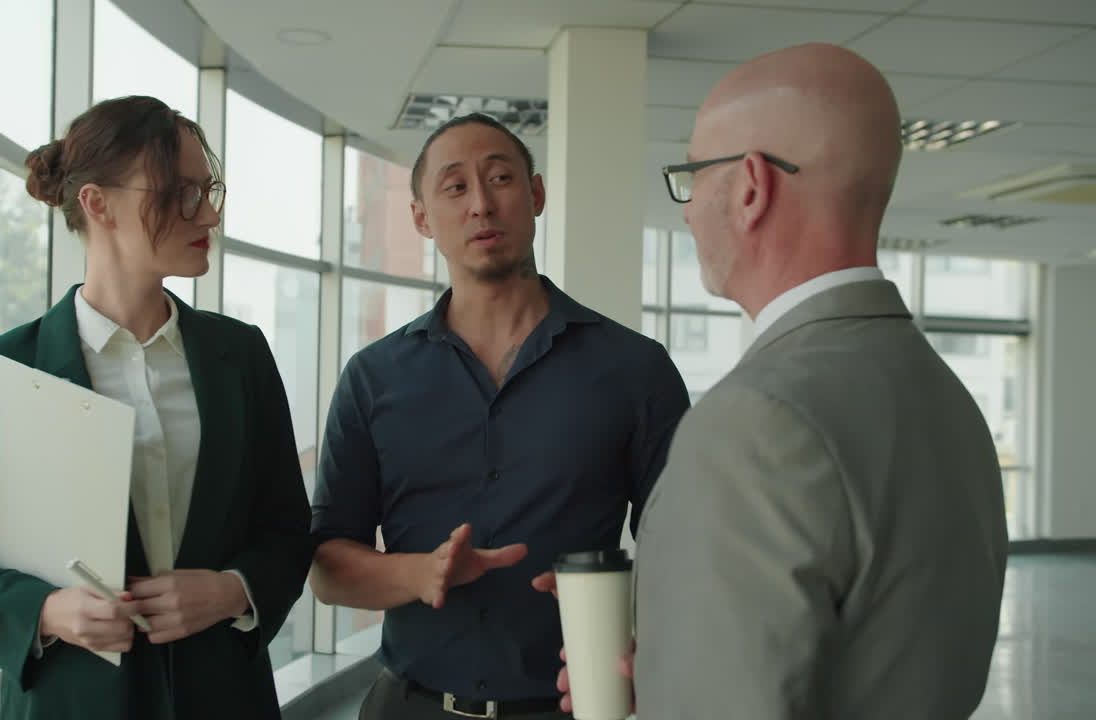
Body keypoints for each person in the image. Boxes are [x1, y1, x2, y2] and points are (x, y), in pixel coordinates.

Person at [612, 43, 1007, 718]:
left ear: (749, 188)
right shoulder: (946, 397)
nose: (685, 209)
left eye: (692, 176)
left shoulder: (755, 421)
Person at [0, 95, 314, 720]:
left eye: (210, 190)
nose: (210, 215)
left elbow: (287, 528)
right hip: (74, 701)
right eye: (182, 192)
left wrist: (234, 590)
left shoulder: (241, 355)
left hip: (224, 697)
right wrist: (45, 610)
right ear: (97, 204)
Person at [309, 112, 690, 720]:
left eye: (501, 179)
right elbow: (328, 570)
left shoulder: (634, 369)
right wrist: (422, 573)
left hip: (573, 706)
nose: (481, 205)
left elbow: (686, 551)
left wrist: (632, 619)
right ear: (421, 218)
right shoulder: (373, 377)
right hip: (411, 707)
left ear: (535, 195)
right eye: (455, 187)